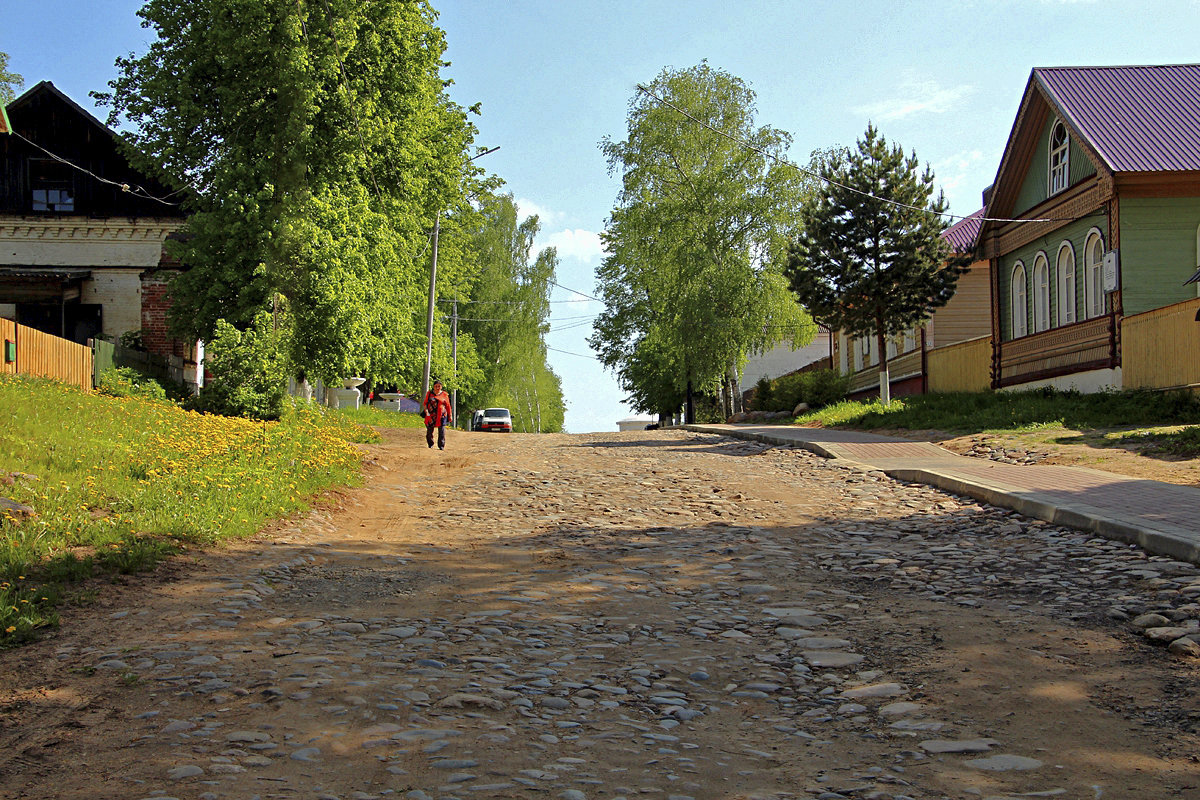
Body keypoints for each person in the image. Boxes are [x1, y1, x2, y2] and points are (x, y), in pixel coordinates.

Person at [422, 379, 452, 450]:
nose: (437, 388)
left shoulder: (444, 394)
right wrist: (427, 412)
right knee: (429, 431)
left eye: (439, 386)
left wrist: (450, 415)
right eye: (436, 386)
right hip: (430, 415)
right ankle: (430, 444)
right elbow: (425, 404)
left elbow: (448, 405)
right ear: (433, 387)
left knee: (441, 431)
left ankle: (441, 445)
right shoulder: (429, 393)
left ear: (441, 387)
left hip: (441, 415)